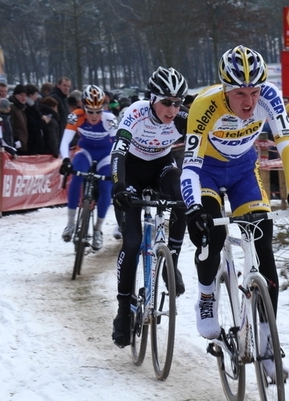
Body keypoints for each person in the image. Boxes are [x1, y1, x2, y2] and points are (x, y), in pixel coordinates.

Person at [180, 45, 289, 381]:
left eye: (254, 92)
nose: (249, 102)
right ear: (225, 89)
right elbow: (190, 166)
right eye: (240, 93)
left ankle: (268, 350)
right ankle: (207, 294)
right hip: (207, 173)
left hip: (243, 173)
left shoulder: (271, 98)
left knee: (265, 253)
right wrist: (194, 207)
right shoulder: (204, 105)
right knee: (215, 234)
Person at [110, 67, 189, 348]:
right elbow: (118, 153)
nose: (172, 109)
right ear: (151, 98)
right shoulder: (135, 113)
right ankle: (122, 312)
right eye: (166, 102)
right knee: (131, 244)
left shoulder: (181, 118)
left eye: (177, 103)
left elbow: (199, 150)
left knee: (183, 195)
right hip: (129, 172)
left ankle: (173, 264)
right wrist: (119, 187)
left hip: (160, 168)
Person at [59, 85, 117, 250]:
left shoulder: (110, 119)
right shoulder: (75, 116)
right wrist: (65, 160)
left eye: (98, 111)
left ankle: (98, 230)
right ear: (83, 107)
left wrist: (116, 166)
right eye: (90, 111)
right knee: (76, 176)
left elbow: (118, 145)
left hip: (106, 155)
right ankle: (70, 223)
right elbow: (64, 142)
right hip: (86, 152)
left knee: (106, 187)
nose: (94, 115)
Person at [49, 76, 72, 141]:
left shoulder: (64, 98)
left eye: (68, 86)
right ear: (58, 85)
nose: (66, 88)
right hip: (57, 135)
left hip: (64, 133)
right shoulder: (54, 98)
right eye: (64, 85)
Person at [9, 85, 29, 153]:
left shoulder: (21, 108)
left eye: (25, 96)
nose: (23, 98)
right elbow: (10, 127)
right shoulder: (12, 108)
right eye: (21, 95)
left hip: (21, 144)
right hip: (16, 145)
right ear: (15, 95)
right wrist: (16, 141)